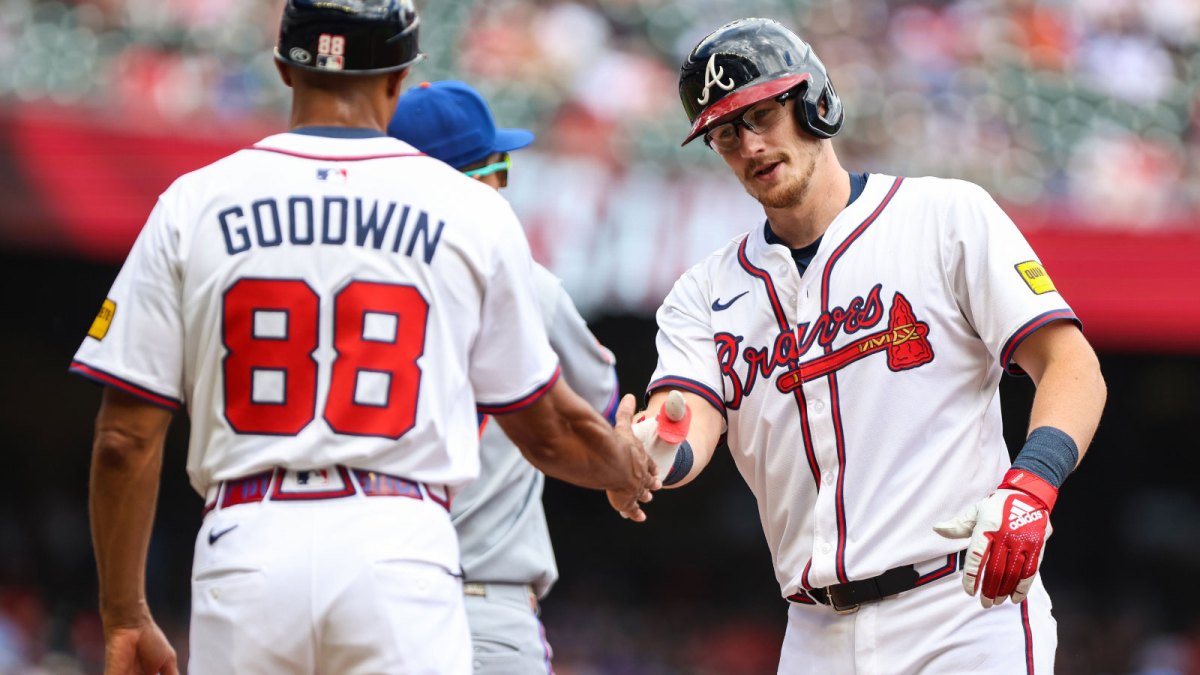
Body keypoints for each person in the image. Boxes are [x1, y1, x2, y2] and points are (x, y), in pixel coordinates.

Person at [69, 2, 658, 673]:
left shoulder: (193, 201)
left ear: (285, 69)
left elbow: (122, 440)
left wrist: (125, 612)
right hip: (399, 540)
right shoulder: (470, 210)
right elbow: (549, 429)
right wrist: (625, 466)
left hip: (247, 538)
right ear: (398, 77)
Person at [636, 18, 1106, 672]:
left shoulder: (942, 217)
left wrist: (1032, 485)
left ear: (815, 101)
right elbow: (684, 422)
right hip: (814, 630)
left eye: (762, 114)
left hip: (962, 607)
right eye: (724, 131)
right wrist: (642, 450)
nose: (748, 145)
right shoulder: (704, 291)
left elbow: (1072, 365)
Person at [387, 80, 620, 672]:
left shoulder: (353, 289)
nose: (503, 186)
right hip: (482, 608)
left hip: (370, 603)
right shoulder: (528, 284)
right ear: (471, 179)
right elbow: (599, 409)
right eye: (499, 167)